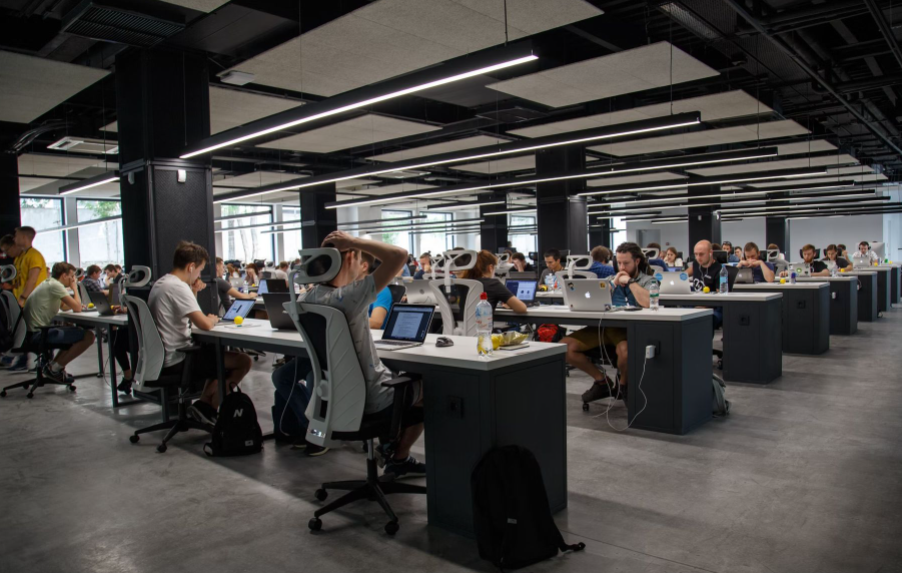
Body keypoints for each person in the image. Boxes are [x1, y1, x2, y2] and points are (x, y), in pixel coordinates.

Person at [289, 231, 425, 477]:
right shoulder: (348, 297)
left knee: (397, 378)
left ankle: (388, 445)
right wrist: (353, 242)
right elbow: (400, 255)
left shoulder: (306, 297)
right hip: (373, 400)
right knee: (430, 387)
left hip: (335, 400)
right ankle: (399, 457)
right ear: (350, 258)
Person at [148, 241, 252, 425]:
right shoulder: (178, 287)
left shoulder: (162, 283)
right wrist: (212, 319)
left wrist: (193, 291)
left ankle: (203, 407)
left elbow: (186, 313)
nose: (199, 275)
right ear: (191, 267)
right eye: (199, 270)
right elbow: (204, 324)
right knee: (243, 361)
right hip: (178, 359)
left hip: (162, 358)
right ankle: (208, 407)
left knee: (215, 355)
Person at [562, 242, 657, 404]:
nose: (621, 267)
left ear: (637, 261)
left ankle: (623, 385)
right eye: (619, 263)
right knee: (565, 346)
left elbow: (648, 302)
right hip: (604, 327)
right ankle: (602, 381)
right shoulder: (609, 280)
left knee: (625, 351)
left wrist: (630, 282)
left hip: (627, 329)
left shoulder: (649, 280)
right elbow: (595, 300)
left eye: (626, 263)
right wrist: (613, 283)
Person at [22, 262, 96, 383]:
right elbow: (77, 308)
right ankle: (55, 369)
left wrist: (74, 304)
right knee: (89, 336)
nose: (73, 279)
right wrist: (75, 288)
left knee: (72, 333)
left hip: (33, 332)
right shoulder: (56, 286)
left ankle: (53, 367)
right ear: (64, 275)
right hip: (38, 334)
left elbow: (64, 306)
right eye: (72, 276)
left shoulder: (49, 283)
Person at [457, 250, 528, 313]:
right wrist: (511, 305)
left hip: (461, 327)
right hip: (484, 327)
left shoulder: (463, 283)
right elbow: (522, 308)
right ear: (490, 268)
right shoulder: (493, 284)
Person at [687, 240, 724, 329]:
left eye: (701, 254)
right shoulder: (696, 264)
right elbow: (682, 276)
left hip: (712, 307)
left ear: (710, 253)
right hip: (695, 303)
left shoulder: (719, 269)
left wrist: (703, 306)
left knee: (701, 319)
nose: (698, 257)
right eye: (695, 254)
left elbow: (720, 297)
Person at [13, 226, 48, 308]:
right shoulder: (24, 255)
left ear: (23, 237)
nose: (14, 239)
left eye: (16, 236)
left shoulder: (34, 255)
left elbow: (32, 279)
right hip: (27, 302)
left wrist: (22, 298)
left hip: (35, 302)